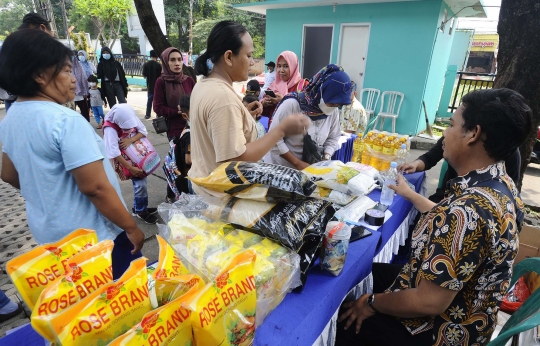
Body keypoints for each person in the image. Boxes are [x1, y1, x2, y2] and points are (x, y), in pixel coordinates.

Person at [336, 88, 532, 346]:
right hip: (460, 302)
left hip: (443, 331)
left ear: (473, 134)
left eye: (451, 125)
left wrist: (372, 303)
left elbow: (428, 302)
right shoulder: (499, 182)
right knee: (359, 274)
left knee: (345, 317)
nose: (444, 135)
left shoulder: (468, 210)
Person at [0, 30, 145, 280]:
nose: (74, 79)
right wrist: (131, 227)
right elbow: (96, 188)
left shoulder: (11, 118)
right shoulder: (65, 120)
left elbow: (8, 173)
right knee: (124, 305)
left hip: (51, 238)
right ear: (39, 75)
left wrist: (49, 192)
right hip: (96, 239)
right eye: (66, 71)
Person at [189, 20, 310, 197]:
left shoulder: (203, 85)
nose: (252, 62)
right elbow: (238, 159)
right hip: (219, 196)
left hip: (204, 186)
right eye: (249, 55)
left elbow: (216, 133)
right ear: (229, 57)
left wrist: (244, 116)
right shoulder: (223, 98)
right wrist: (280, 130)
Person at [263, 64, 352, 169]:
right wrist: (297, 163)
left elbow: (333, 137)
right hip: (280, 168)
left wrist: (326, 158)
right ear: (320, 93)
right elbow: (274, 139)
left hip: (308, 169)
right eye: (332, 104)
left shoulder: (333, 111)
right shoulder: (292, 105)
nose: (334, 107)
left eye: (338, 105)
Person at [399, 136, 521, 203]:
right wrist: (416, 164)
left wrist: (409, 194)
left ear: (474, 133)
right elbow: (432, 156)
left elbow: (444, 214)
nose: (446, 132)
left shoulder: (476, 201)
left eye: (452, 125)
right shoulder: (454, 138)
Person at [153, 47, 196, 202]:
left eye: (179, 59)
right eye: (172, 60)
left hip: (193, 126)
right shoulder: (161, 81)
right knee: (176, 162)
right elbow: (157, 107)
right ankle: (172, 194)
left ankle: (190, 193)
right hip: (175, 129)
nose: (177, 63)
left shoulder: (189, 80)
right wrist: (176, 112)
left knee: (192, 161)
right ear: (166, 62)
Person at [103, 104, 158, 224]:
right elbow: (113, 152)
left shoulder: (129, 116)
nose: (129, 128)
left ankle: (139, 207)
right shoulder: (110, 129)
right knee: (140, 185)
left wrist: (130, 140)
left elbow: (143, 131)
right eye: (126, 128)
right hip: (128, 162)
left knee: (142, 183)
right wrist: (130, 168)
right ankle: (141, 211)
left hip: (139, 157)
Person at [260, 51, 308, 119]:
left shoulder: (303, 85)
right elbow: (266, 112)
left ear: (294, 66)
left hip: (294, 128)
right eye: (279, 66)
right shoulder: (273, 85)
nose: (281, 70)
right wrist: (264, 103)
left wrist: (284, 102)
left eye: (286, 66)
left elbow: (309, 111)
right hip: (275, 128)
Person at [174, 95, 193, 194]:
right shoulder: (190, 134)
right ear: (185, 116)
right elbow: (189, 159)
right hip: (189, 178)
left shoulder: (186, 127)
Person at [142, 50, 162, 119]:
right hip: (158, 86)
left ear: (150, 56)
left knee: (149, 101)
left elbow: (144, 75)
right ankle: (158, 115)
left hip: (150, 86)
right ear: (156, 56)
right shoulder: (159, 65)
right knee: (157, 101)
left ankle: (148, 114)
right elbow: (161, 76)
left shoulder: (146, 64)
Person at [72, 50, 90, 122]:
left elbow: (84, 78)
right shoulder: (63, 67)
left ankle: (86, 124)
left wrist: (85, 92)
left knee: (84, 110)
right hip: (69, 93)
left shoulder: (79, 66)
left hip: (80, 92)